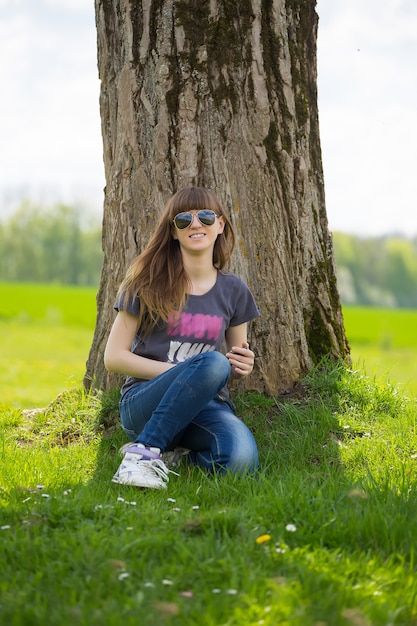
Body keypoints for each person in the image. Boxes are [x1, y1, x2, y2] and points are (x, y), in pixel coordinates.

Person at [104, 186, 260, 489]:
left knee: (241, 461)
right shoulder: (145, 283)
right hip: (145, 402)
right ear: (174, 232)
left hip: (206, 405)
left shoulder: (234, 290)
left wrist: (244, 366)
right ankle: (143, 454)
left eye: (204, 216)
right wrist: (186, 373)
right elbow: (114, 357)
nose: (196, 224)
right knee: (212, 363)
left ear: (220, 225)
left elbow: (233, 363)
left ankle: (172, 458)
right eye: (183, 220)